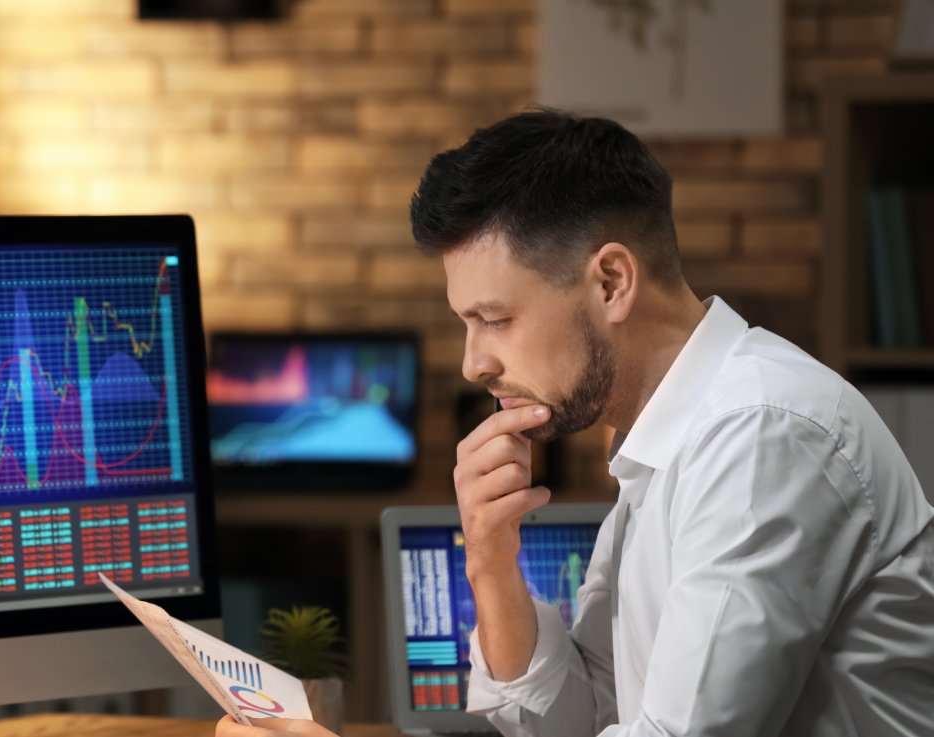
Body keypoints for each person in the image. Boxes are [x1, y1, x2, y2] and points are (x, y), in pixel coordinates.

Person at [215, 110, 934, 737]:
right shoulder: (660, 438)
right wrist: (491, 563)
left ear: (611, 281)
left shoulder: (761, 436)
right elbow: (586, 717)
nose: (474, 364)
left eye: (494, 319)